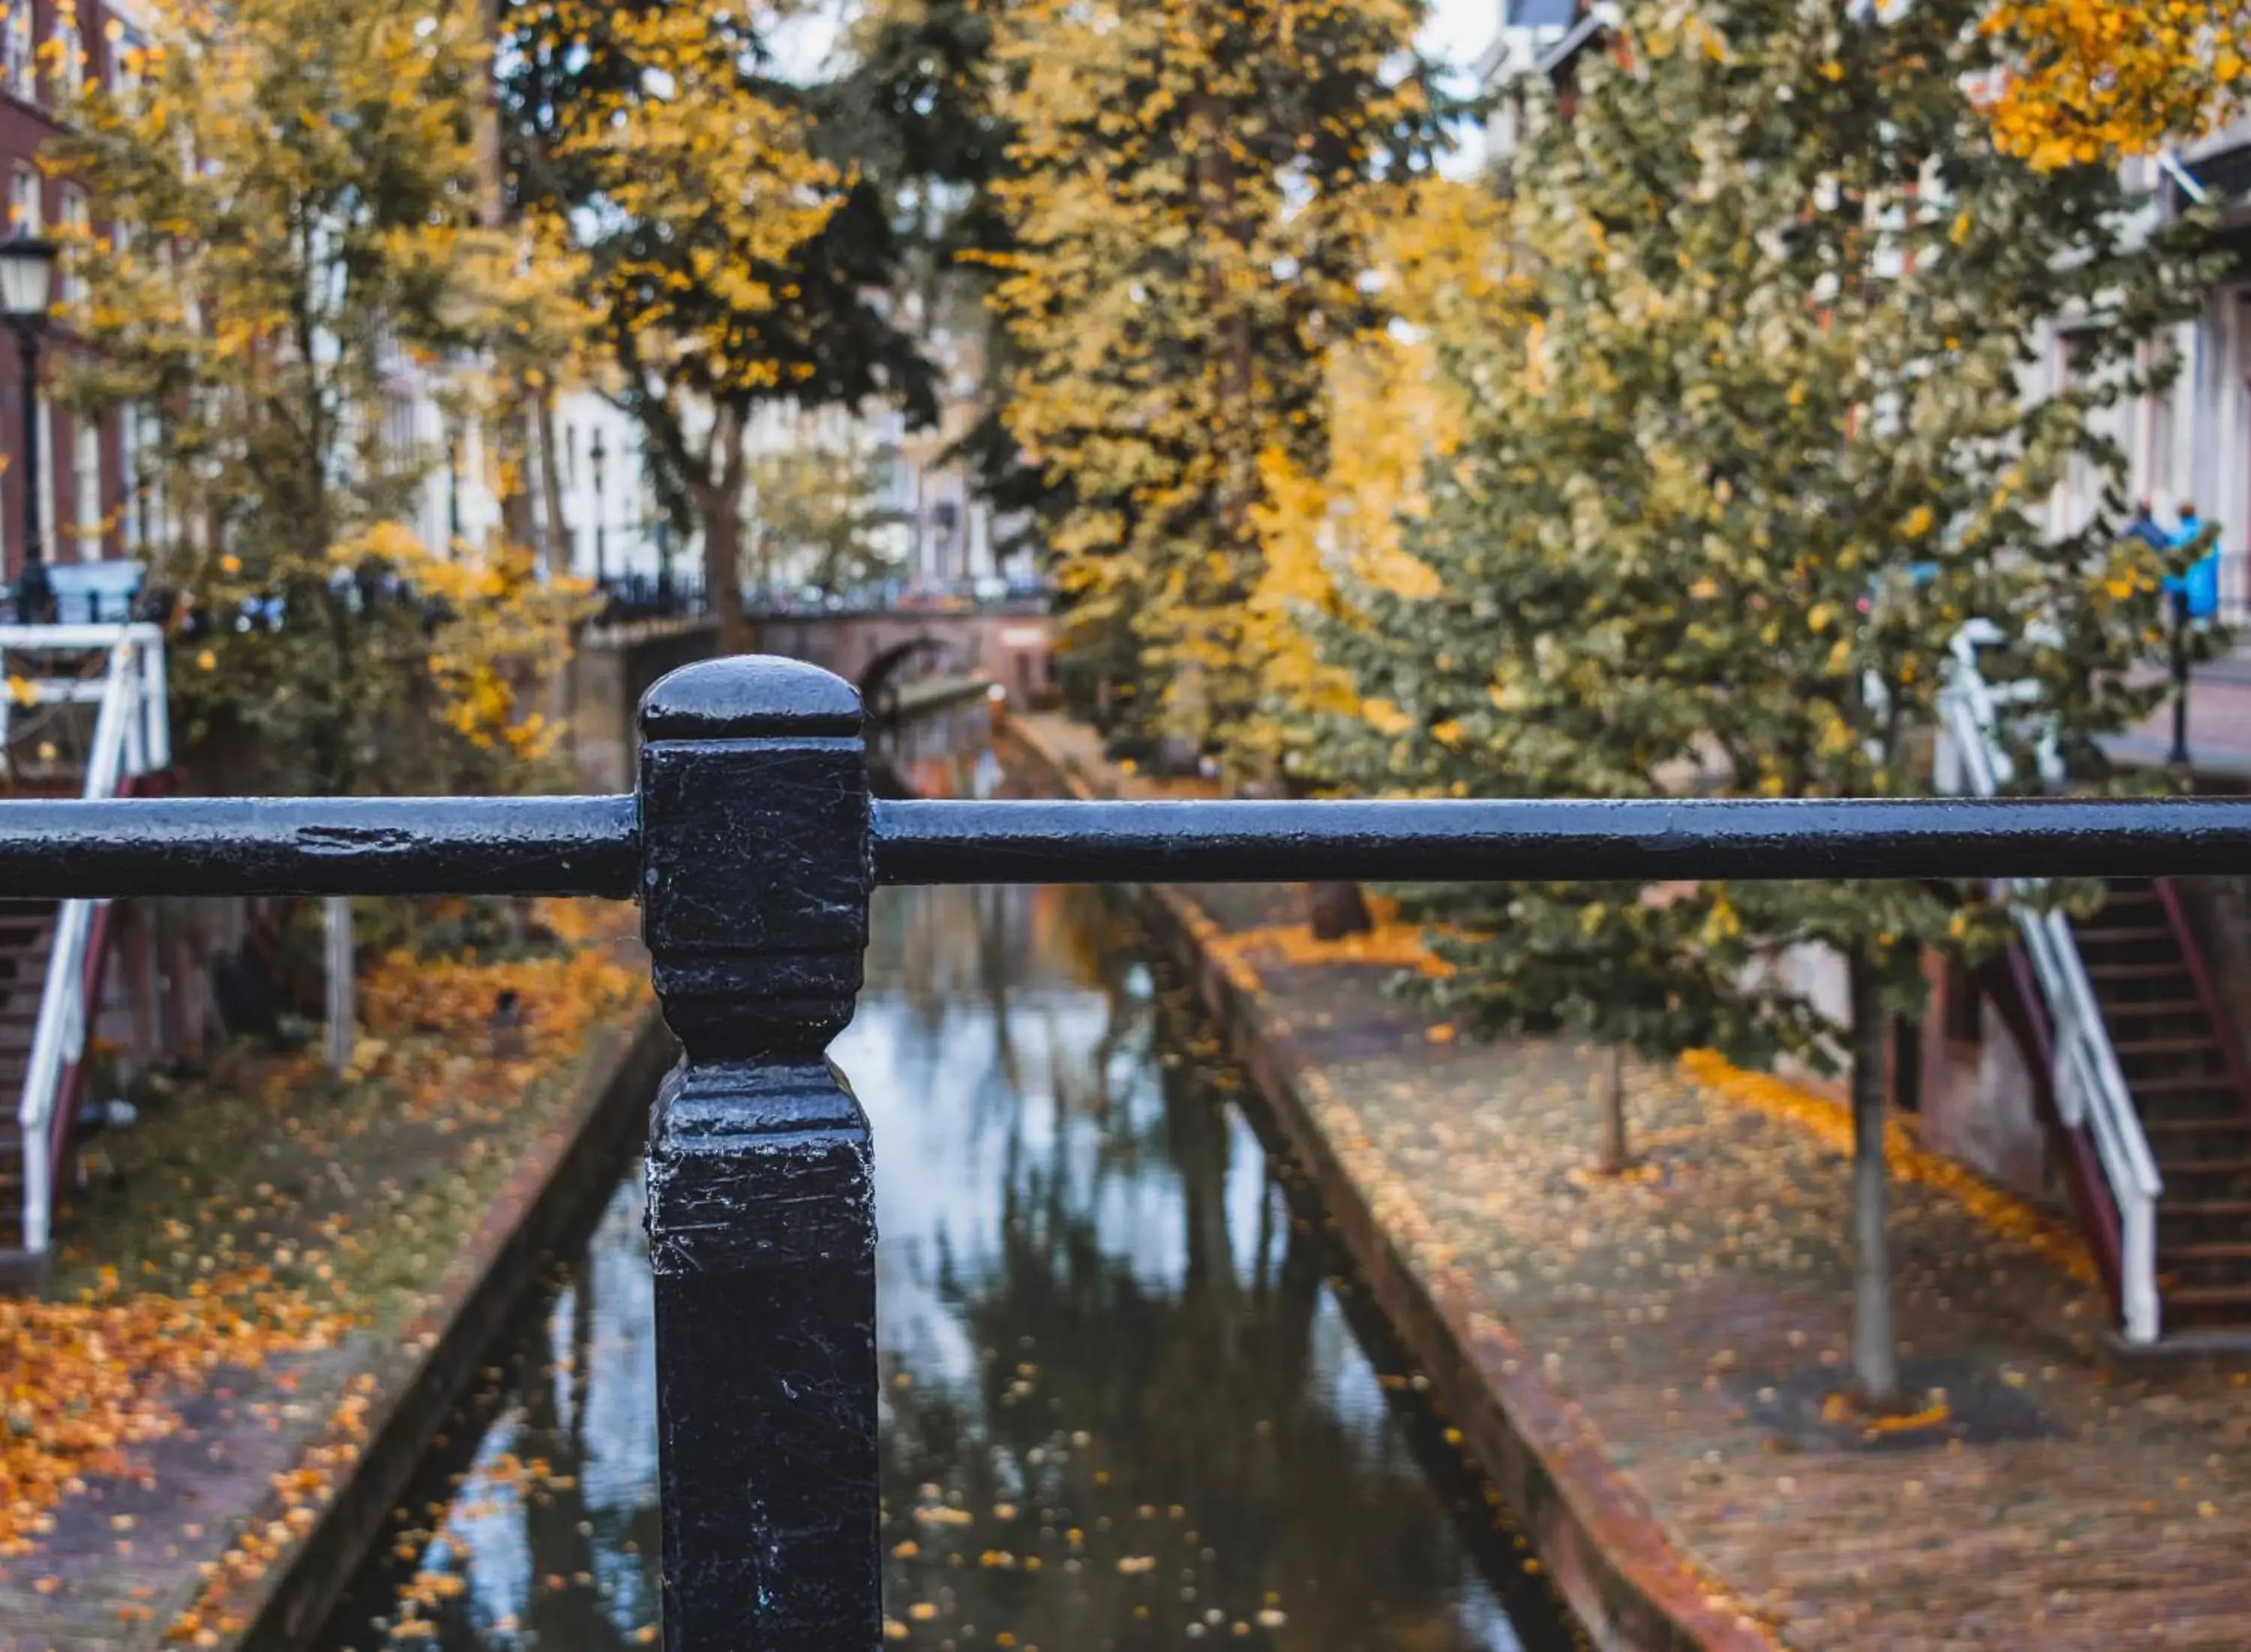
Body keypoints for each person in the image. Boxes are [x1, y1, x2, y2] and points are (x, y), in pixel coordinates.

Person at [2168, 502, 2220, 621]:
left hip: (2180, 587)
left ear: (2180, 515)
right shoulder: (2204, 535)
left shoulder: (2176, 535)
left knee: (2181, 625)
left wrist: (2169, 585)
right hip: (2202, 589)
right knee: (2202, 627)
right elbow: (2214, 561)